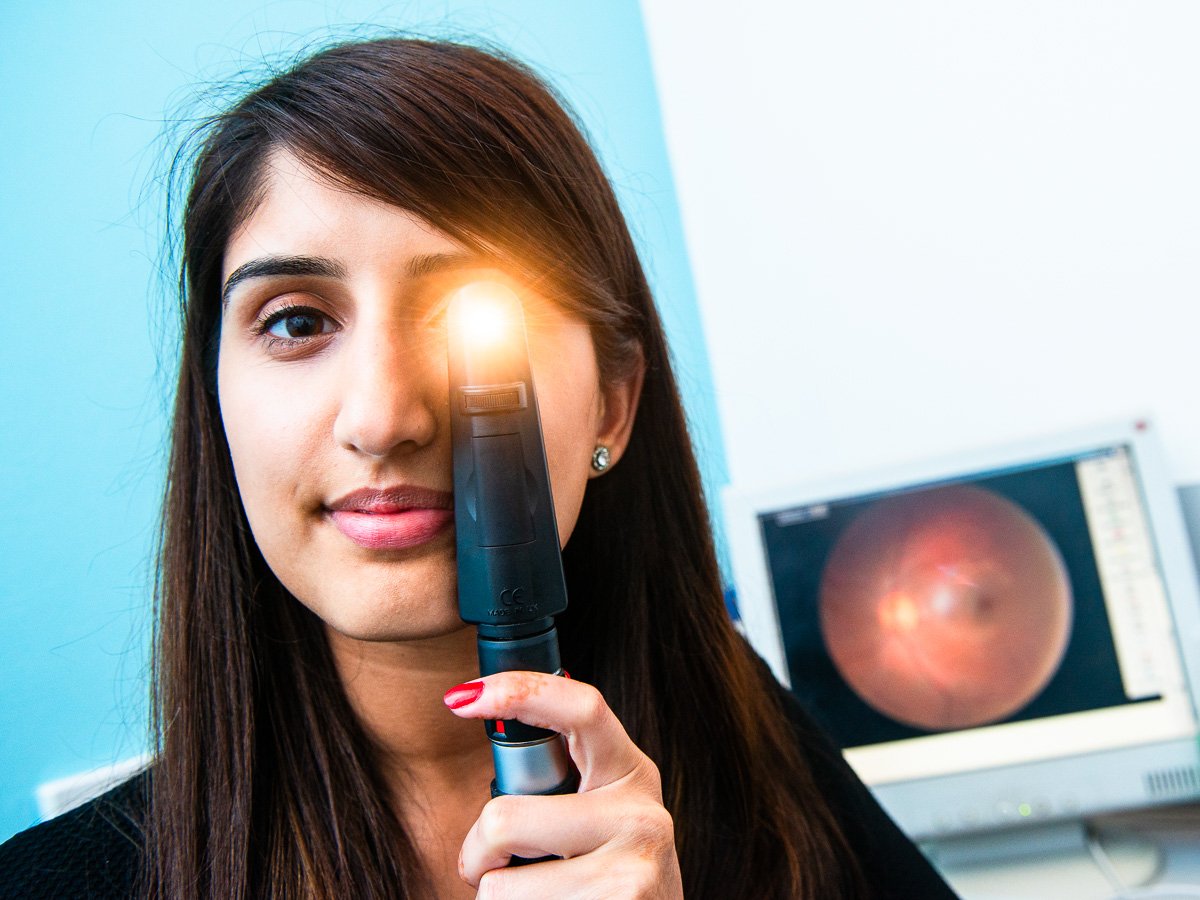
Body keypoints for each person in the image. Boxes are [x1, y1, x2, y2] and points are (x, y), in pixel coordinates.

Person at [0, 37, 957, 899]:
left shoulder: (744, 737)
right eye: (297, 321)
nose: (382, 418)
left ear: (613, 405)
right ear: (215, 404)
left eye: (464, 319)